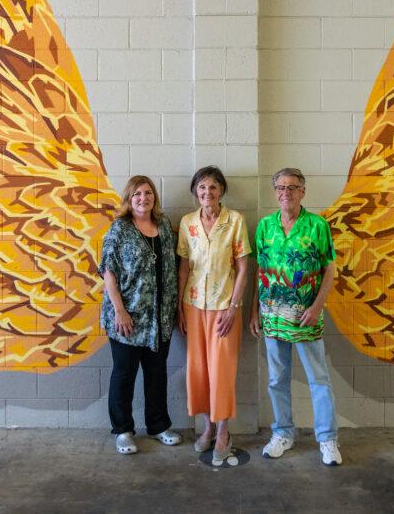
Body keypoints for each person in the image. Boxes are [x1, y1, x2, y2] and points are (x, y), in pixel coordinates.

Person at [251, 167, 343, 466]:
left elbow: (330, 268)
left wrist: (317, 306)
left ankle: (327, 439)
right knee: (277, 379)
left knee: (319, 379)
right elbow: (261, 272)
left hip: (306, 317)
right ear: (274, 191)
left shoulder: (317, 225)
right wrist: (254, 310)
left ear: (303, 191)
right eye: (280, 187)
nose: (285, 192)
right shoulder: (265, 226)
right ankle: (283, 433)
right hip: (273, 317)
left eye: (292, 187)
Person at [100, 175, 182, 455]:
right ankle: (122, 430)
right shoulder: (119, 229)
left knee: (157, 374)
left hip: (159, 320)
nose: (143, 198)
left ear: (154, 198)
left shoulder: (164, 228)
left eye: (148, 193)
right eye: (137, 194)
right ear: (129, 199)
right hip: (127, 319)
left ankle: (158, 426)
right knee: (124, 374)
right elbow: (108, 271)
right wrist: (120, 310)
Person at [177, 165, 251, 466]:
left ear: (222, 191)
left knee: (221, 370)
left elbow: (244, 267)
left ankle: (224, 431)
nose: (208, 192)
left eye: (213, 187)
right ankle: (207, 426)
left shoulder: (234, 221)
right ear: (196, 191)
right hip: (194, 305)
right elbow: (184, 267)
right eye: (203, 187)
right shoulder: (187, 222)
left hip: (224, 307)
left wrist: (234, 306)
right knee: (199, 369)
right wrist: (180, 308)